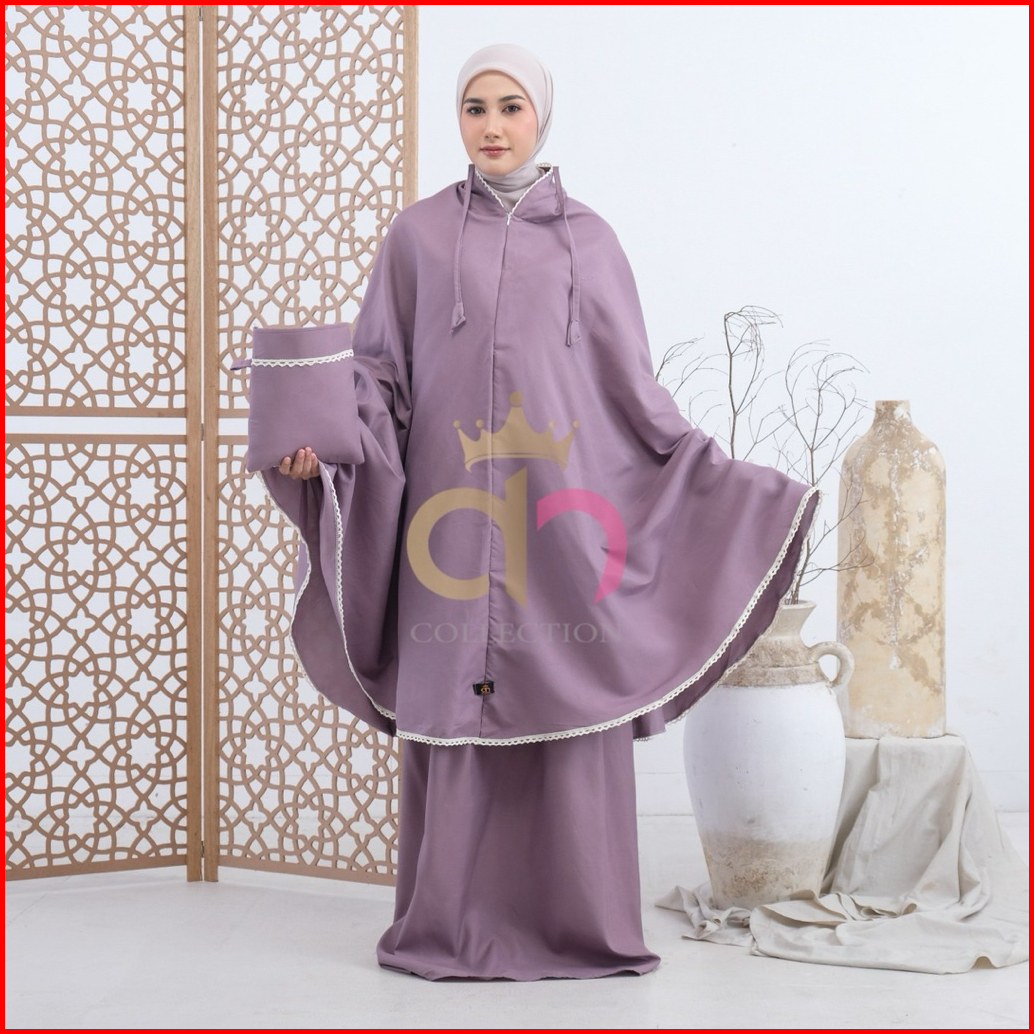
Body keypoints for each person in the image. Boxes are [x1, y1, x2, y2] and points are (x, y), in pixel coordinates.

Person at [259, 45, 817, 980]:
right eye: (474, 107)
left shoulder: (591, 242)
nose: (491, 125)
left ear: (541, 116)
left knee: (569, 685)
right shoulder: (417, 236)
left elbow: (633, 391)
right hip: (447, 516)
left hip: (562, 521)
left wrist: (716, 477)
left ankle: (579, 924)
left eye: (510, 107)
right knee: (458, 695)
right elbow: (379, 377)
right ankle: (447, 926)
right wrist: (326, 443)